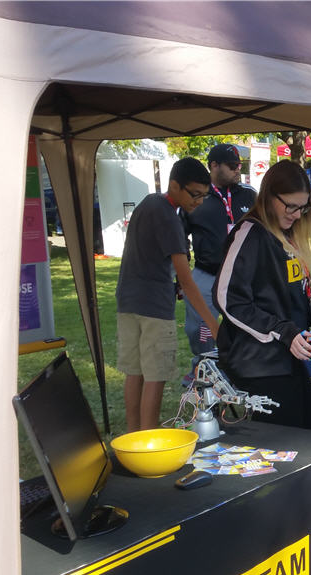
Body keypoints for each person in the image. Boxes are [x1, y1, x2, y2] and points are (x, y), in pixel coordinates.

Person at [214, 160, 311, 429]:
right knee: (288, 439)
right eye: (290, 206)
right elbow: (227, 298)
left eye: (302, 208)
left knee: (310, 425)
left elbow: (301, 290)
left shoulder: (288, 235)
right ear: (269, 196)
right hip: (258, 363)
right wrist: (282, 331)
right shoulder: (250, 233)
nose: (296, 214)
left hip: (285, 359)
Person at [115, 157, 218, 432]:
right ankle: (149, 439)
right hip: (155, 309)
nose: (198, 201)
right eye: (194, 194)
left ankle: (134, 435)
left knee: (134, 372)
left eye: (204, 196)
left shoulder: (148, 203)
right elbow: (187, 279)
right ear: (174, 185)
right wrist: (213, 323)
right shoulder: (170, 218)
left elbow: (150, 256)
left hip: (127, 302)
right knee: (155, 376)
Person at [181, 144, 255, 376]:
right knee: (202, 328)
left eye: (239, 166)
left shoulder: (248, 195)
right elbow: (179, 236)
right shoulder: (196, 198)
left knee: (244, 325)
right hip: (206, 275)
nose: (237, 170)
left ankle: (241, 370)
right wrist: (180, 277)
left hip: (241, 277)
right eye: (232, 166)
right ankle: (203, 371)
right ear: (214, 165)